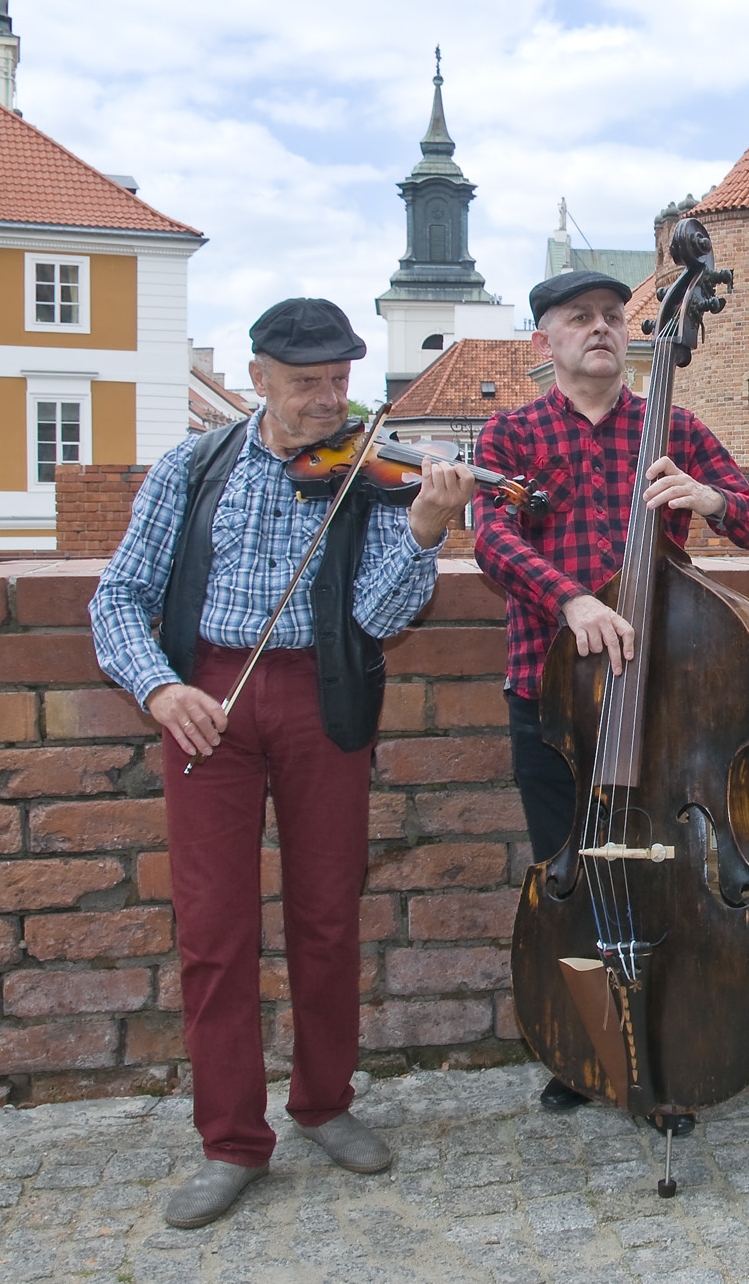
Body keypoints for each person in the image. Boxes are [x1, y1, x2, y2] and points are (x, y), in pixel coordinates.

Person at [90, 298, 474, 1228]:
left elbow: (378, 616)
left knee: (327, 913)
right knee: (213, 927)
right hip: (207, 698)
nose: (330, 401)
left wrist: (425, 527)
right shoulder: (191, 466)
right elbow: (118, 596)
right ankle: (231, 1139)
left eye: (340, 380)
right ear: (259, 378)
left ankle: (325, 1101)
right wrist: (159, 688)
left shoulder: (370, 473)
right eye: (307, 384)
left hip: (322, 692)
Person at [474, 268, 749, 1112]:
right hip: (555, 697)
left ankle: (674, 1037)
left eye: (614, 316)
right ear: (543, 341)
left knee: (669, 876)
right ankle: (586, 1050)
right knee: (575, 870)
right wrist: (571, 599)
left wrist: (710, 497)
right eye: (580, 318)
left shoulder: (675, 426)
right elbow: (491, 539)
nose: (601, 329)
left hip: (668, 701)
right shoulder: (511, 433)